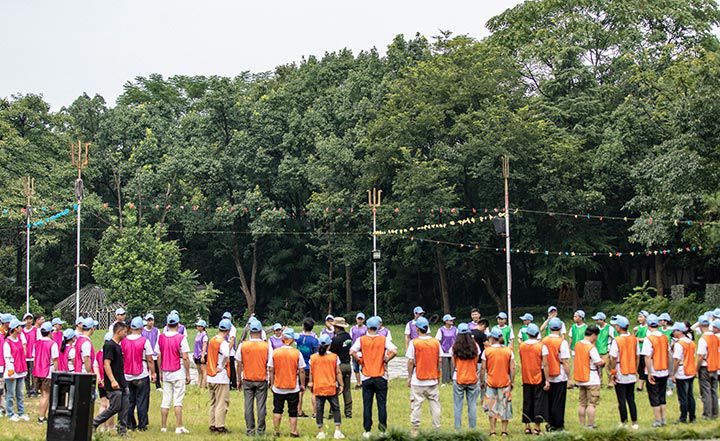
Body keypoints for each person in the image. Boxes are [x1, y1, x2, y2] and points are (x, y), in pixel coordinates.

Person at [350, 316, 398, 438]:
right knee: (381, 404)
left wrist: (360, 361)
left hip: (366, 376)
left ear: (367, 326)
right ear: (377, 327)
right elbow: (394, 351)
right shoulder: (383, 339)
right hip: (381, 375)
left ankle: (367, 430)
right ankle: (383, 430)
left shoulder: (361, 340)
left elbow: (352, 351)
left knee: (367, 404)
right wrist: (386, 359)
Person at [156, 312, 191, 434]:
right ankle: (179, 426)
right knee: (178, 400)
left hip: (166, 371)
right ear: (178, 324)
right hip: (178, 371)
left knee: (166, 400)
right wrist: (188, 374)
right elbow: (185, 357)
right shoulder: (181, 338)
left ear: (167, 324)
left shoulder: (161, 338)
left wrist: (160, 371)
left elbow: (158, 356)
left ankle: (163, 427)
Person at [406, 316, 441, 435]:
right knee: (435, 404)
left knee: (416, 405)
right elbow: (439, 360)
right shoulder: (435, 342)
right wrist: (438, 375)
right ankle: (436, 429)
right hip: (432, 379)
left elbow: (410, 361)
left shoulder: (414, 342)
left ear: (417, 328)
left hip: (418, 379)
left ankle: (415, 429)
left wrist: (409, 376)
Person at [93, 322, 130, 435]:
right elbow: (106, 364)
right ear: (119, 331)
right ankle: (94, 422)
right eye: (124, 332)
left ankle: (122, 431)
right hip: (114, 383)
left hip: (122, 382)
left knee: (124, 407)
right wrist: (113, 380)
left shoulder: (118, 346)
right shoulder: (109, 346)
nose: (126, 335)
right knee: (115, 407)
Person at [238, 318, 272, 436]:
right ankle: (261, 430)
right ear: (261, 331)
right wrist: (271, 379)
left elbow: (239, 363)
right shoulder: (266, 346)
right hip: (261, 379)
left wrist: (239, 379)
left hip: (247, 378)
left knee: (248, 405)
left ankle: (250, 430)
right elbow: (270, 365)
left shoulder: (243, 345)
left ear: (250, 331)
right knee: (261, 406)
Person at [269, 327, 305, 438]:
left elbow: (271, 369)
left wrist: (272, 383)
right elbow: (302, 370)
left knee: (277, 410)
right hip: (293, 387)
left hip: (278, 386)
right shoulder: (297, 353)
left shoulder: (275, 352)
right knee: (293, 411)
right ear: (292, 340)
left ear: (282, 339)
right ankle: (293, 431)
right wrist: (302, 384)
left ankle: (276, 431)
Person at [121, 316, 155, 432]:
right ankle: (142, 424)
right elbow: (150, 359)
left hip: (127, 375)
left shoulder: (123, 341)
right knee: (142, 401)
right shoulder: (145, 341)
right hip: (141, 374)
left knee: (129, 401)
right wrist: (153, 373)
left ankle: (130, 423)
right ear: (141, 328)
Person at [310, 334, 345, 439]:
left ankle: (321, 431)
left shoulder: (313, 357)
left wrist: (311, 383)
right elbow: (338, 372)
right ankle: (337, 430)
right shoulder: (334, 357)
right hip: (331, 387)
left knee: (319, 409)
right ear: (329, 345)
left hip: (318, 387)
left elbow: (311, 372)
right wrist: (341, 385)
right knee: (336, 408)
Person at [480, 328, 515, 437]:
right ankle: (504, 431)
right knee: (505, 406)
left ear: (491, 338)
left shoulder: (487, 351)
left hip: (491, 383)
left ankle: (492, 431)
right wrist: (512, 381)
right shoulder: (508, 351)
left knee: (491, 407)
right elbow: (512, 368)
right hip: (505, 382)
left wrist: (482, 381)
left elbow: (483, 368)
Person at [609, 315, 639, 429]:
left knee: (621, 399)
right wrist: (635, 369)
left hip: (620, 371)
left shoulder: (617, 340)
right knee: (631, 399)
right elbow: (637, 356)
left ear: (619, 327)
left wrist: (613, 372)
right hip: (631, 371)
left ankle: (624, 421)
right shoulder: (634, 339)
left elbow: (613, 357)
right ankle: (634, 422)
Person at [542, 317, 570, 431]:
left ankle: (549, 422)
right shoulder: (562, 342)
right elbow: (565, 361)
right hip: (560, 375)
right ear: (560, 328)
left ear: (549, 328)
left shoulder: (544, 340)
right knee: (559, 401)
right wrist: (570, 377)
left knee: (549, 400)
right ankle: (557, 424)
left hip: (546, 374)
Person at [573, 325, 604, 428]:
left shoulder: (577, 345)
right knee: (592, 404)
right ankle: (590, 425)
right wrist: (603, 361)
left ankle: (582, 425)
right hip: (592, 378)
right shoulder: (591, 347)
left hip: (580, 378)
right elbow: (598, 362)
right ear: (594, 335)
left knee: (582, 403)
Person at [519, 323, 547, 435]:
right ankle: (537, 427)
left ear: (528, 334)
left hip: (526, 375)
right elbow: (545, 364)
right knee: (538, 401)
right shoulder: (541, 346)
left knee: (527, 400)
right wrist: (547, 379)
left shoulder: (522, 346)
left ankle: (527, 426)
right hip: (538, 375)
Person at [642, 314, 669, 427]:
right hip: (664, 370)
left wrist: (649, 373)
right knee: (662, 396)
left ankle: (657, 420)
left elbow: (647, 357)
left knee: (654, 396)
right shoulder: (664, 337)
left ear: (648, 326)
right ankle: (663, 419)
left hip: (654, 369)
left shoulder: (648, 339)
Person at [451, 323, 480, 430]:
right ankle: (472, 428)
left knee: (458, 405)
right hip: (472, 377)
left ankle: (457, 428)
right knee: (472, 405)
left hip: (458, 377)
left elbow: (453, 363)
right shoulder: (475, 346)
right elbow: (477, 360)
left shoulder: (455, 346)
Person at [207, 318, 232, 434]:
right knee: (222, 402)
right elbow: (226, 355)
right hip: (220, 377)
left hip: (210, 375)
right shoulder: (223, 343)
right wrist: (221, 366)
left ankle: (212, 424)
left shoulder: (212, 340)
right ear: (228, 330)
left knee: (213, 402)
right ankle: (220, 426)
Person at [671, 321, 697, 423]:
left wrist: (673, 373)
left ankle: (683, 417)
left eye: (674, 331)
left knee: (682, 396)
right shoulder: (691, 342)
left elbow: (676, 360)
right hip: (691, 370)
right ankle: (692, 417)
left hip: (682, 371)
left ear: (679, 331)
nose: (673, 333)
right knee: (690, 395)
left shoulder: (679, 344)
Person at [4, 318, 28, 421]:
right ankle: (10, 413)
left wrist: (24, 369)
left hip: (21, 370)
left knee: (20, 393)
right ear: (15, 329)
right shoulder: (7, 342)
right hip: (12, 371)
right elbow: (7, 358)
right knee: (10, 394)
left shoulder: (19, 339)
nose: (22, 328)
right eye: (20, 327)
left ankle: (21, 412)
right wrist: (11, 371)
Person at [33, 321, 58, 423]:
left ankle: (42, 415)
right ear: (49, 332)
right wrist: (56, 371)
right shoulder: (52, 344)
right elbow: (55, 359)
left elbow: (34, 356)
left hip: (37, 371)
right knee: (46, 395)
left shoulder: (37, 343)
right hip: (48, 372)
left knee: (43, 395)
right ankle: (41, 417)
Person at [329, 317, 353, 418]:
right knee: (347, 390)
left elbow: (331, 353)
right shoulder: (348, 336)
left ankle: (332, 412)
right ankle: (348, 412)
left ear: (336, 327)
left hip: (339, 366)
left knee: (334, 389)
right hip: (348, 365)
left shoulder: (335, 339)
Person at [696, 315, 718, 419]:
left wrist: (696, 368)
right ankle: (715, 413)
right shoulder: (715, 337)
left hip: (705, 367)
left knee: (706, 391)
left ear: (700, 326)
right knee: (714, 390)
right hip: (715, 366)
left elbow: (700, 356)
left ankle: (707, 414)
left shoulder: (703, 339)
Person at [296, 318, 319, 419]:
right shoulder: (314, 340)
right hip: (311, 368)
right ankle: (315, 412)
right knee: (313, 391)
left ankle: (298, 410)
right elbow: (316, 355)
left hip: (300, 367)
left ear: (303, 326)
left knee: (300, 390)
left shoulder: (299, 339)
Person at [592, 312, 614, 387]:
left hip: (606, 350)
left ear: (602, 320)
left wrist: (611, 349)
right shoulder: (596, 328)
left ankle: (610, 382)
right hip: (597, 350)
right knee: (598, 368)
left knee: (608, 367)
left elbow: (614, 338)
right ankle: (599, 382)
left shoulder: (609, 328)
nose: (596, 321)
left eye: (597, 320)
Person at [435, 314, 457, 385]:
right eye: (450, 320)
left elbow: (458, 339)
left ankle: (453, 380)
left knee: (453, 366)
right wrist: (439, 351)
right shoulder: (441, 330)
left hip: (453, 350)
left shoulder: (455, 329)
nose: (452, 321)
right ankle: (445, 381)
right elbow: (437, 340)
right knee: (445, 366)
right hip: (444, 350)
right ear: (446, 321)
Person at [141, 313, 161, 390]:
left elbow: (158, 341)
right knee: (146, 370)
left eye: (152, 320)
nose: (151, 322)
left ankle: (158, 385)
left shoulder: (156, 330)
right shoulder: (142, 331)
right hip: (145, 353)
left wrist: (156, 351)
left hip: (154, 353)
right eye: (149, 320)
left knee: (156, 369)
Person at [220, 312, 239, 391]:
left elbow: (232, 341)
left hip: (230, 352)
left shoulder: (232, 328)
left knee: (231, 367)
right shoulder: (222, 326)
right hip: (224, 350)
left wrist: (228, 351)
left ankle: (232, 383)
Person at [22, 313, 39, 397]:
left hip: (33, 356)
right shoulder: (22, 331)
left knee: (34, 374)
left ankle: (34, 390)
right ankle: (28, 390)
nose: (28, 321)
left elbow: (38, 342)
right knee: (26, 374)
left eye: (30, 319)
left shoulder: (35, 330)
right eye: (27, 319)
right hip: (24, 356)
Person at [634, 310, 650, 392]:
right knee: (640, 368)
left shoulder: (648, 328)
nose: (639, 318)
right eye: (639, 317)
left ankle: (645, 385)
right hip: (638, 350)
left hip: (645, 350)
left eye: (641, 317)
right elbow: (633, 337)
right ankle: (640, 386)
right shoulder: (637, 328)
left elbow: (648, 338)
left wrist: (639, 339)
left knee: (645, 367)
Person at [350, 313, 367, 388]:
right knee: (355, 367)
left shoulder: (366, 329)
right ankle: (358, 383)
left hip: (363, 351)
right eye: (358, 319)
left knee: (363, 367)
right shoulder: (353, 329)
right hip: (355, 351)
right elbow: (351, 338)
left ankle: (365, 381)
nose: (360, 321)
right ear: (356, 319)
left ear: (363, 320)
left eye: (361, 319)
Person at [193, 319, 209, 389]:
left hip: (202, 354)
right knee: (199, 371)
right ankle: (199, 385)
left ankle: (203, 386)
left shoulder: (205, 335)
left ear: (203, 327)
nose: (197, 327)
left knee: (204, 371)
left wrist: (202, 356)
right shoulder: (198, 334)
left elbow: (204, 346)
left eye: (199, 326)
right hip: (196, 355)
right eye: (197, 326)